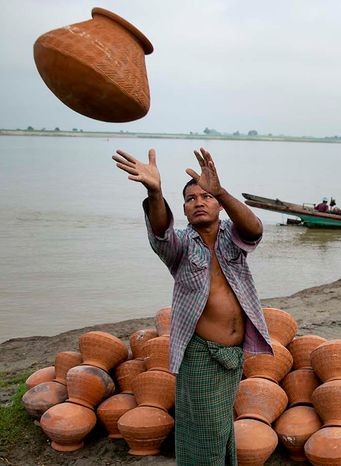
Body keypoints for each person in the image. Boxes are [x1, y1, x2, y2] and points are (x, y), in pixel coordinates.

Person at [112, 147, 273, 465]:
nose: (198, 201)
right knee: (204, 431)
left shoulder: (231, 236)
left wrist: (221, 191)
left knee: (222, 427)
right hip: (200, 354)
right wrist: (155, 192)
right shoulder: (182, 245)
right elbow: (160, 233)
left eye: (205, 196)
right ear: (184, 210)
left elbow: (255, 229)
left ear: (217, 203)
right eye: (190, 199)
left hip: (233, 355)